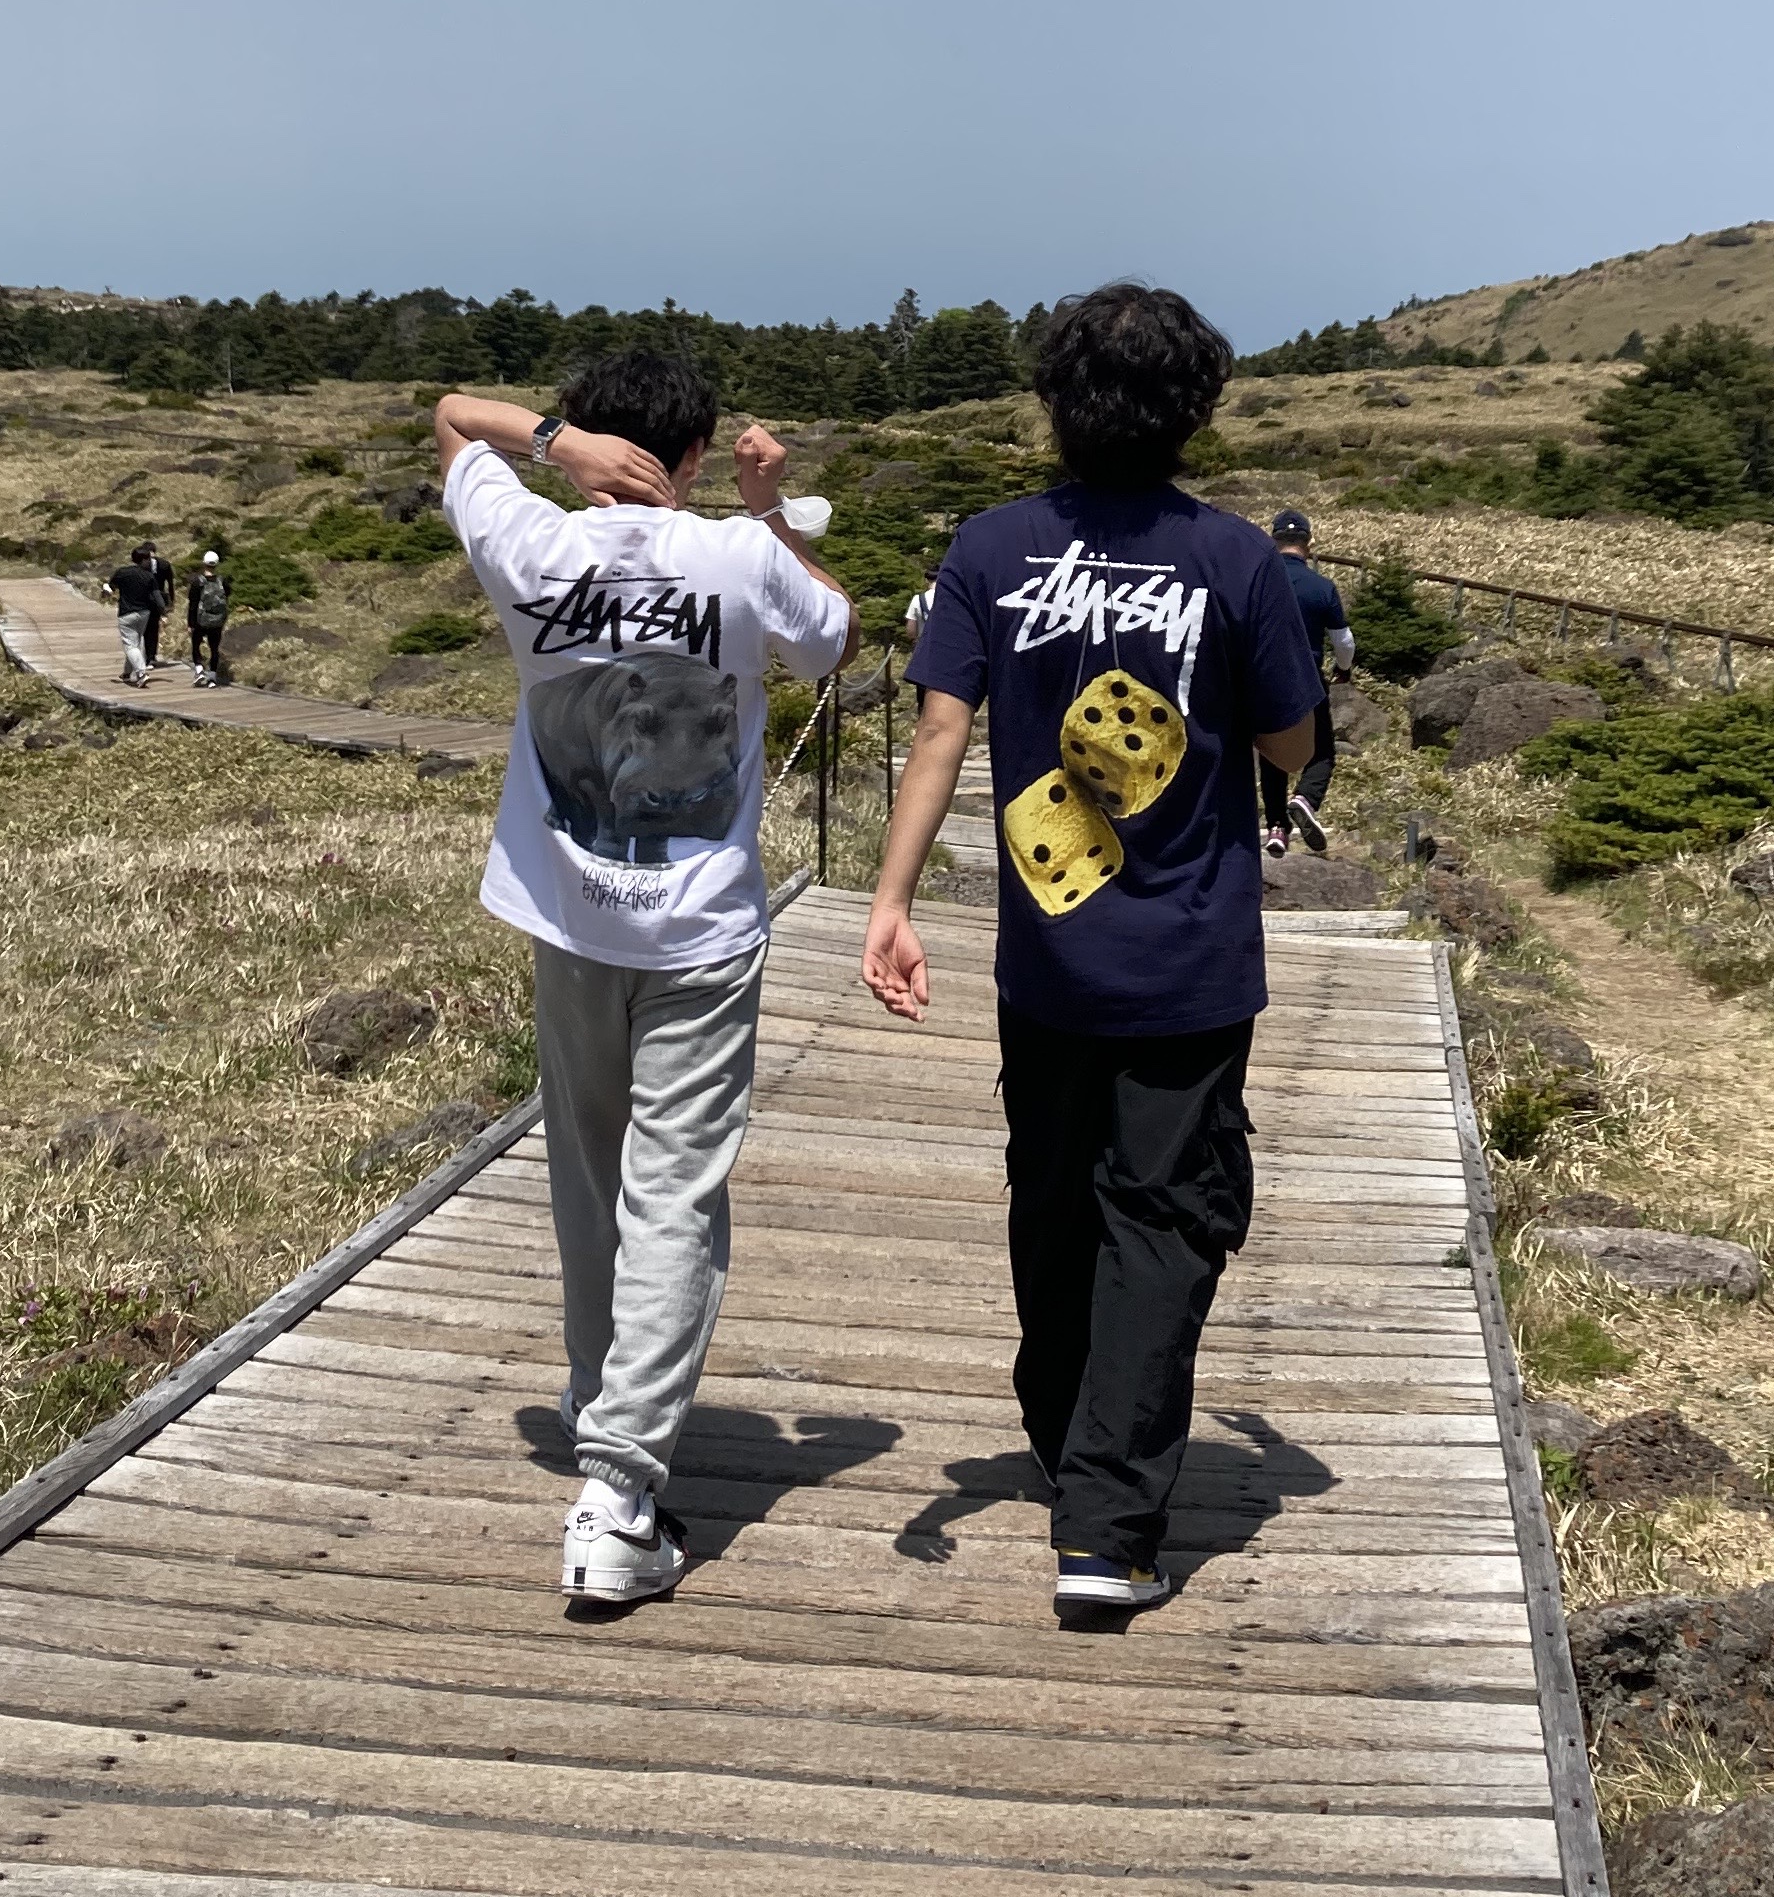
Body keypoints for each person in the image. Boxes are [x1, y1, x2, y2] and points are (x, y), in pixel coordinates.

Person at [862, 282, 1323, 1630]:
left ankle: (1069, 1440)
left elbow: (940, 731)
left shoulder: (991, 547)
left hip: (1047, 956)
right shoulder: (1236, 559)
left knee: (1055, 1199)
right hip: (1190, 958)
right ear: (1195, 408)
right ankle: (1109, 1528)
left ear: (1056, 402)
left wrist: (892, 899)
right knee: (1163, 1215)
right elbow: (1290, 740)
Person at [437, 351, 856, 1608]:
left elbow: (452, 416)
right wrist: (770, 507)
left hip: (568, 919)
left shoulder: (530, 543)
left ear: (593, 446)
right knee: (674, 1197)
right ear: (693, 454)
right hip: (701, 934)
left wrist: (548, 443)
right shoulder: (738, 555)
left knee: (587, 1181)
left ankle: (595, 1406)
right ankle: (619, 1493)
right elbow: (833, 641)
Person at [1259, 511, 1355, 858]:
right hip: (1308, 678)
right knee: (1322, 749)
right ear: (1308, 543)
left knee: (1272, 751)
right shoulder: (1322, 587)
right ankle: (1305, 798)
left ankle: (1276, 827)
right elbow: (1344, 642)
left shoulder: (1259, 582)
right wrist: (1344, 670)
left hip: (1264, 679)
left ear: (1273, 541)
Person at [105, 542, 162, 685]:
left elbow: (109, 588)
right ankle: (127, 673)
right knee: (135, 643)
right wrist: (164, 612)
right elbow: (157, 597)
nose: (150, 562)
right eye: (148, 559)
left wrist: (105, 593)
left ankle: (141, 673)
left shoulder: (122, 572)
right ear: (143, 560)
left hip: (126, 614)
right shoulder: (149, 576)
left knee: (130, 645)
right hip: (144, 614)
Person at [186, 549, 230, 685]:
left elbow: (192, 604)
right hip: (217, 620)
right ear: (216, 564)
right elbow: (227, 595)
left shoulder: (198, 581)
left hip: (200, 620)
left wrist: (190, 623)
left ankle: (199, 670)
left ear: (204, 563)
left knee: (196, 645)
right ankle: (212, 677)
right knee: (214, 648)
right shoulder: (222, 581)